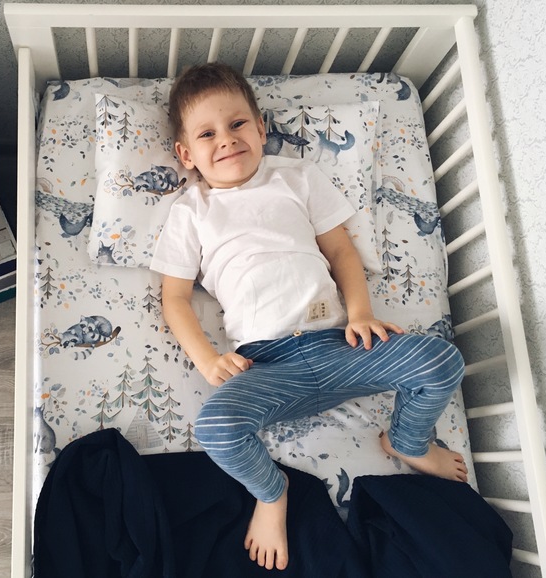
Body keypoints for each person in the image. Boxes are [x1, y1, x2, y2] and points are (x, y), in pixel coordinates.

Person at [149, 62, 468, 572]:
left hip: (340, 347)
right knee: (215, 427)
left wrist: (361, 313)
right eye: (207, 134)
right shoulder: (191, 212)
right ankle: (272, 493)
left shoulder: (295, 177)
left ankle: (406, 441)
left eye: (237, 124)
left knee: (439, 360)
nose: (226, 139)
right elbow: (175, 298)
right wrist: (209, 361)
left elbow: (341, 252)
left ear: (260, 127)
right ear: (186, 154)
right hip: (267, 367)